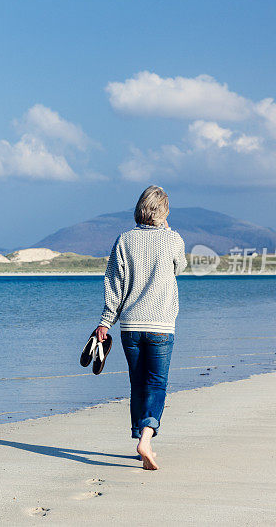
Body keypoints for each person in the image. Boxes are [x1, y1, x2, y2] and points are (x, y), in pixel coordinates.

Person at [94, 185, 186, 470]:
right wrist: (167, 232)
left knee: (138, 383)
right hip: (160, 325)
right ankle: (146, 438)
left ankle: (141, 440)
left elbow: (113, 283)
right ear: (163, 211)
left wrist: (105, 321)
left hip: (130, 326)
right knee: (156, 383)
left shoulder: (124, 240)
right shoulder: (173, 239)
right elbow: (179, 267)